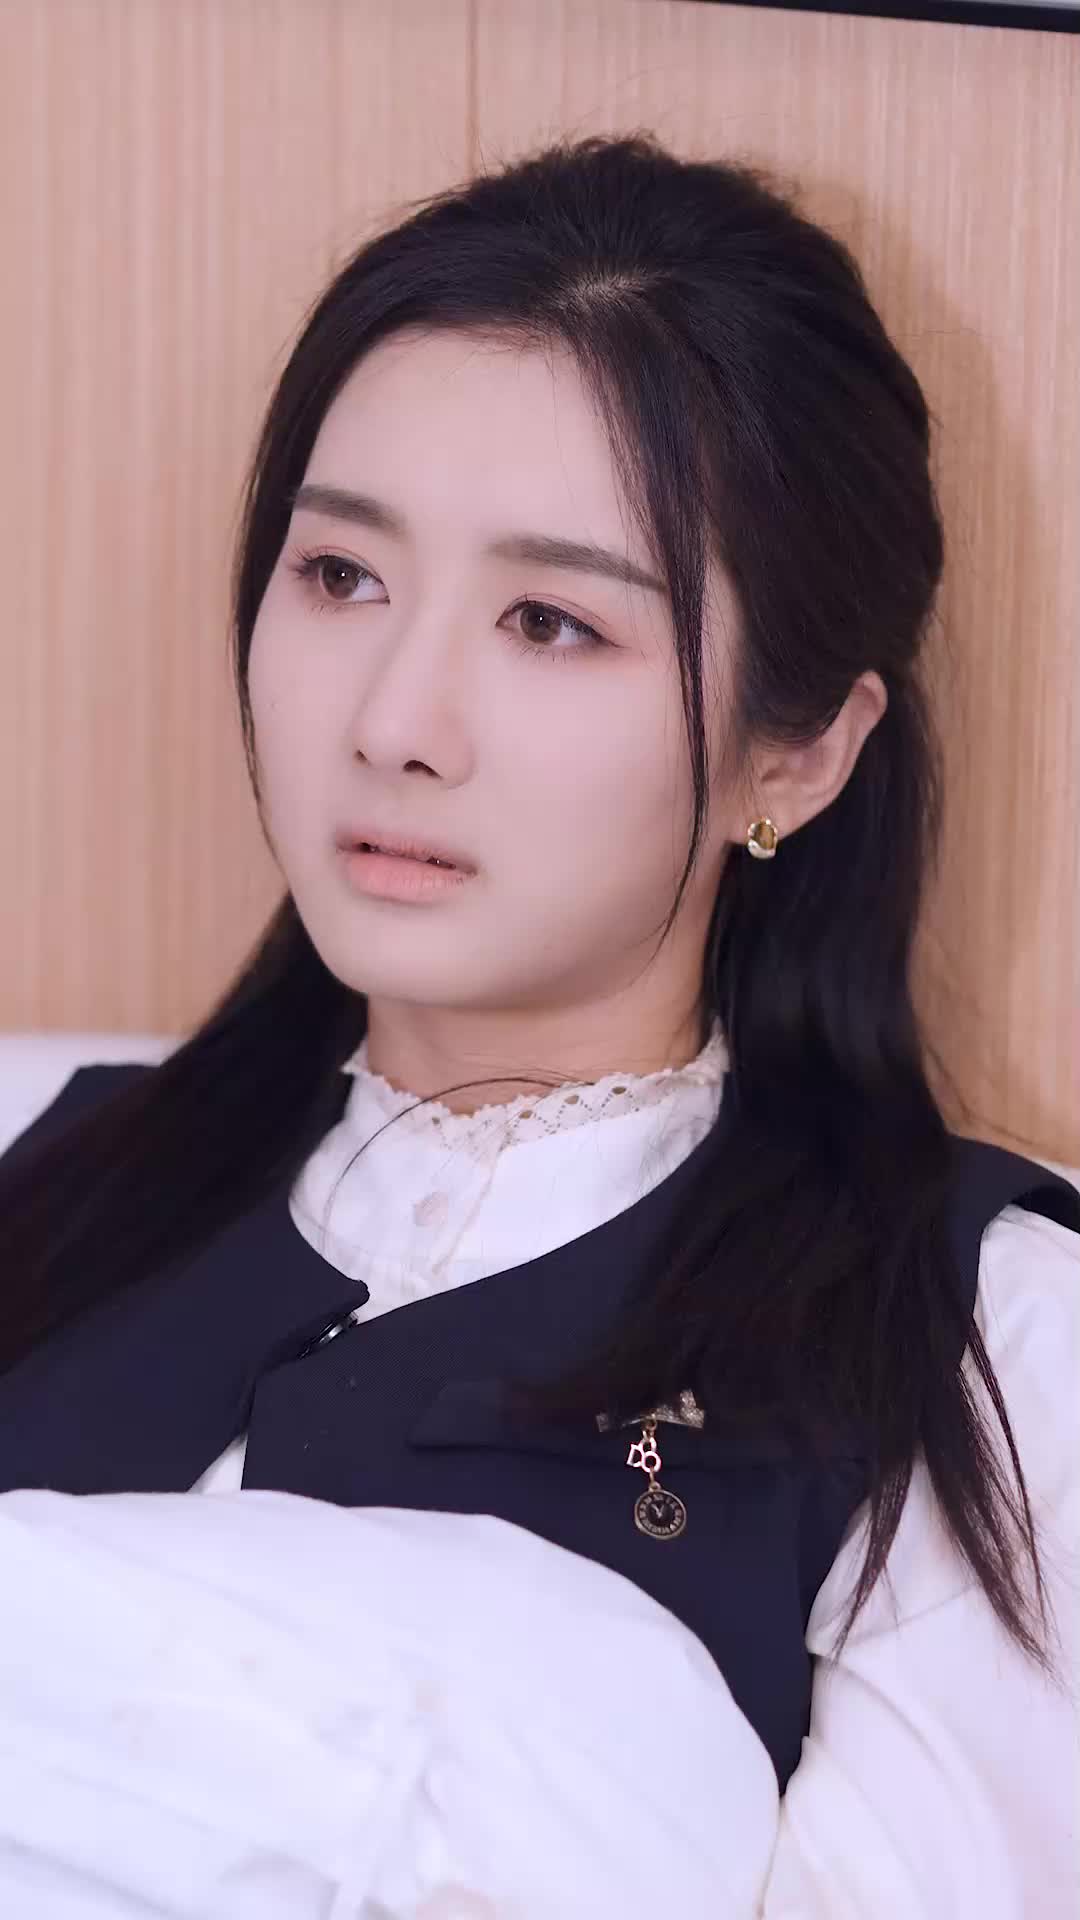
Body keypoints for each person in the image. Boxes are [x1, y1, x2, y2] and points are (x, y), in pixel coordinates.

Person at [0, 130, 1077, 1917]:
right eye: (341, 576)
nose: (394, 721)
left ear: (800, 754)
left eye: (552, 623)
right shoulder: (55, 1161)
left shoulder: (981, 1355)